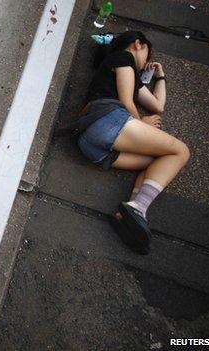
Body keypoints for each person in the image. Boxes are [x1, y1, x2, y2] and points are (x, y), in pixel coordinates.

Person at [76, 31, 190, 254]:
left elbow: (158, 106)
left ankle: (131, 212)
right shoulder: (123, 58)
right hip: (107, 121)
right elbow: (127, 101)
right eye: (148, 52)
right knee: (181, 151)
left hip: (91, 142)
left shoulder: (130, 73)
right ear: (138, 44)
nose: (148, 60)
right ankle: (139, 206)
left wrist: (161, 77)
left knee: (157, 162)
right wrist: (142, 123)